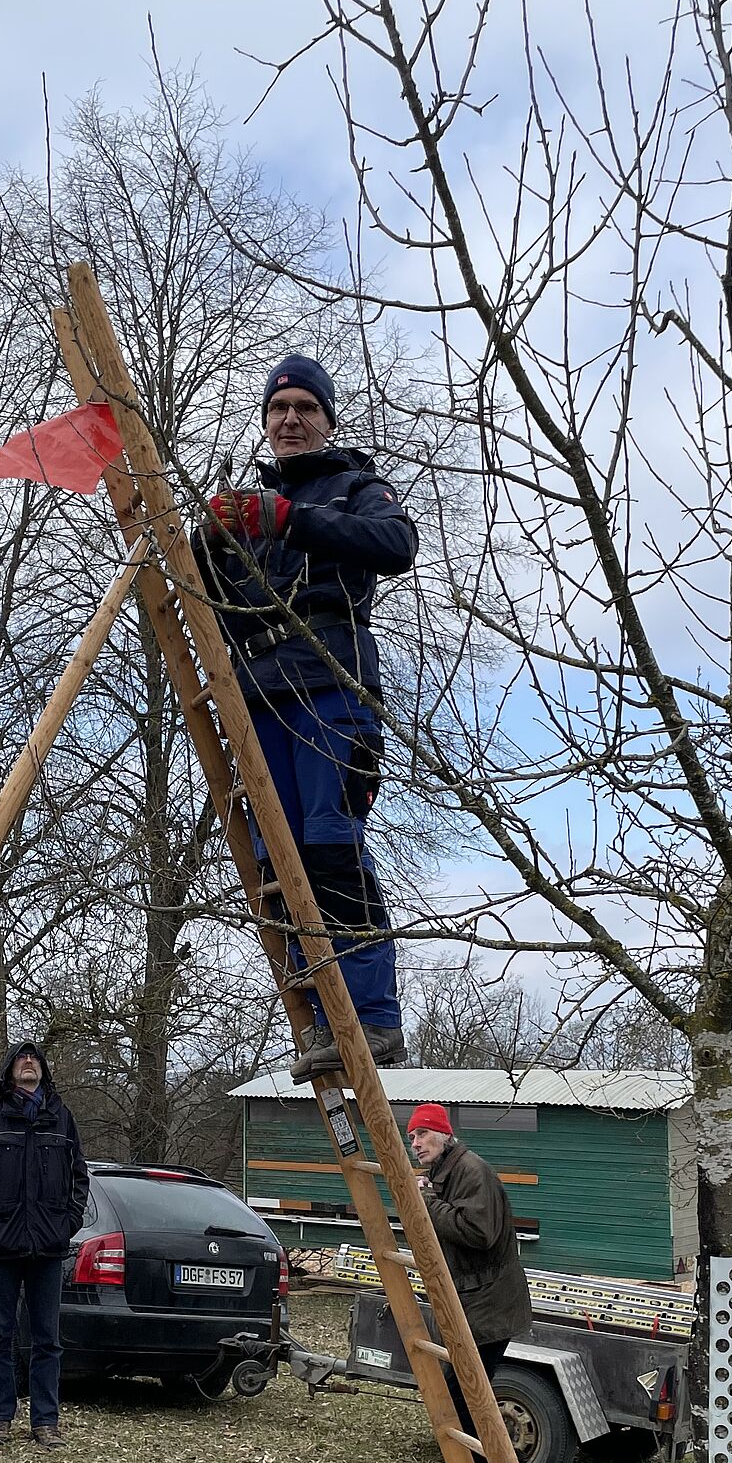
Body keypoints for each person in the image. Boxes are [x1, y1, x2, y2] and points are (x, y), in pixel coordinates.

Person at [194, 351, 417, 1080]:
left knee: (328, 845)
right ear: (266, 423)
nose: (291, 420)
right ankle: (324, 1017)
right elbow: (202, 596)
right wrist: (202, 543)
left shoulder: (355, 488)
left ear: (325, 420)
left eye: (305, 409)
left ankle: (375, 1018)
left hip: (330, 683)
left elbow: (396, 545)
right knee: (276, 859)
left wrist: (291, 519)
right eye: (279, 409)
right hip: (258, 698)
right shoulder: (244, 510)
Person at [405, 1101, 545, 1463]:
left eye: (423, 1134)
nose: (416, 1143)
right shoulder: (446, 1173)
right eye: (412, 1137)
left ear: (444, 1134)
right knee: (462, 1398)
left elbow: (478, 1234)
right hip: (476, 1302)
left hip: (490, 1303)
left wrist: (427, 1202)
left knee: (466, 1399)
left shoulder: (471, 1171)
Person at [0, 1042, 88, 1448]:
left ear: (43, 1070)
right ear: (10, 1070)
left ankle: (45, 1422)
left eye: (34, 1058)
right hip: (0, 1249)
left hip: (48, 1247)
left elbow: (78, 1179)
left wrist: (66, 1224)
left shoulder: (61, 1119)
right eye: (20, 1058)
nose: (28, 1062)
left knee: (47, 1339)